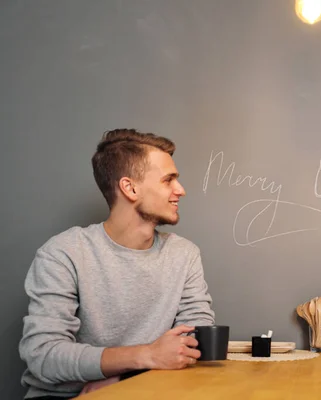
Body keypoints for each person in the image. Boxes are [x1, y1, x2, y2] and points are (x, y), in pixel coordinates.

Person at [19, 129, 215, 399]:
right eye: (168, 180)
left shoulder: (184, 254)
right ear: (130, 188)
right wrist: (145, 356)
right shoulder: (63, 253)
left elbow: (194, 342)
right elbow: (43, 355)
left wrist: (123, 380)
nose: (180, 190)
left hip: (148, 391)